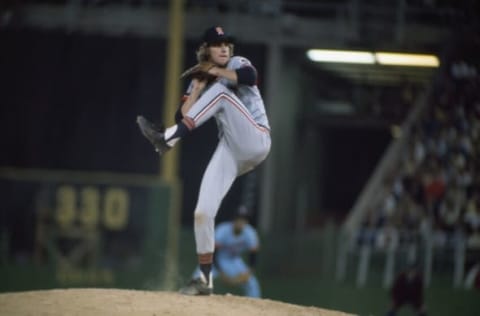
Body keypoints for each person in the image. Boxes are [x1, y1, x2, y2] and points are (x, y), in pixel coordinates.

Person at [137, 26, 271, 295]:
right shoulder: (204, 75)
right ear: (206, 49)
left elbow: (250, 76)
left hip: (256, 137)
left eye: (226, 44)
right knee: (203, 212)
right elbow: (182, 115)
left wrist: (216, 73)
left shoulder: (236, 63)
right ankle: (205, 281)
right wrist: (198, 86)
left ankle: (167, 140)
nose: (224, 48)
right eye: (217, 44)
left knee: (221, 94)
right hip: (232, 149)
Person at [182, 205, 261, 297]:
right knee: (197, 278)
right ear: (233, 220)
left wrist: (248, 272)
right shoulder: (222, 230)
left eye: (244, 219)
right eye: (239, 219)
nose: (241, 222)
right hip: (216, 260)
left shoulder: (250, 233)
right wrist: (223, 274)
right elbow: (213, 254)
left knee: (252, 284)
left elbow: (253, 255)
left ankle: (255, 307)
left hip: (234, 260)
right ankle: (187, 301)